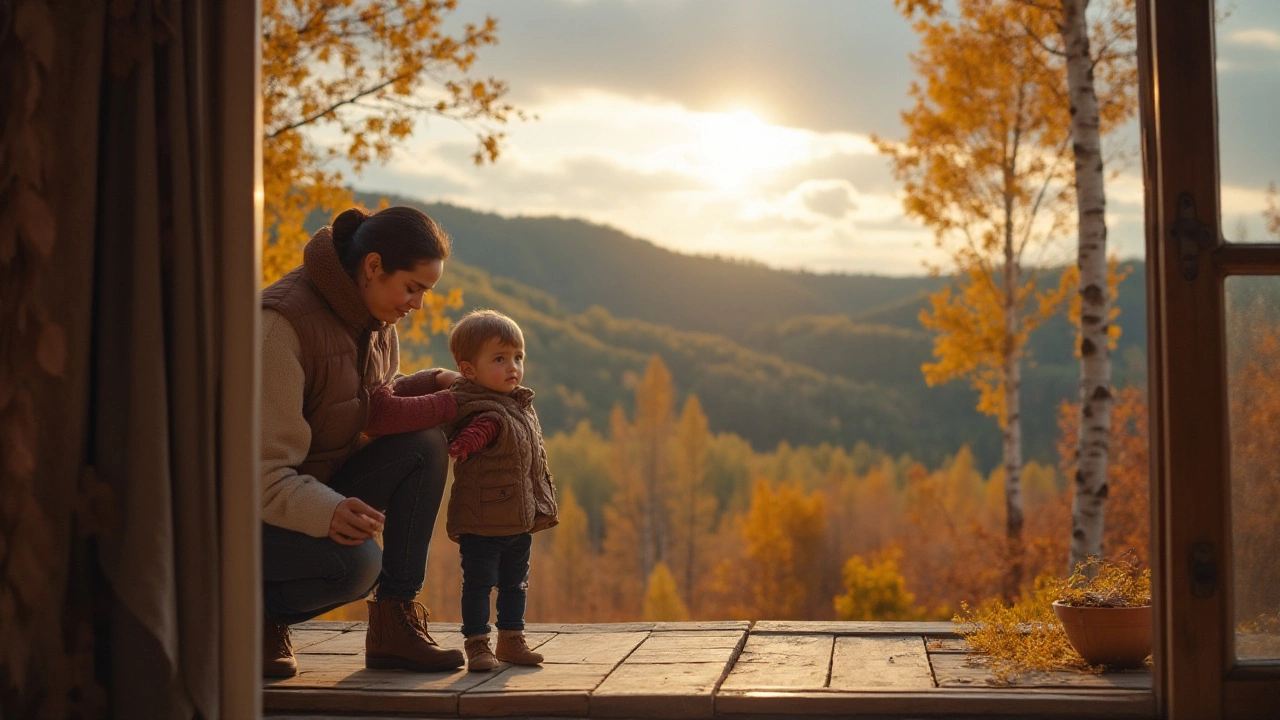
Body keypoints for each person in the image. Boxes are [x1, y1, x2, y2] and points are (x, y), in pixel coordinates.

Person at [259, 206, 466, 678]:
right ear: (372, 266)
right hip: (249, 515)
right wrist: (327, 510)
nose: (417, 304)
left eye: (425, 292)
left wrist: (436, 382)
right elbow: (259, 474)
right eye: (412, 287)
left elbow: (369, 406)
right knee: (355, 565)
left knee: (425, 445)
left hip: (315, 484)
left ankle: (394, 623)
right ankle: (254, 613)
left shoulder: (374, 322)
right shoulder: (279, 328)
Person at [443, 310, 560, 671]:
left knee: (515, 585)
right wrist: (463, 445)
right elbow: (477, 433)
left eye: (517, 357)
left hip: (517, 520)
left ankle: (511, 639)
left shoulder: (520, 406)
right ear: (469, 370)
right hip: (482, 524)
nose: (513, 366)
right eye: (499, 359)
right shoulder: (485, 410)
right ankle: (478, 644)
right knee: (478, 585)